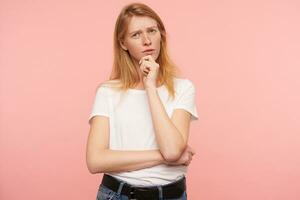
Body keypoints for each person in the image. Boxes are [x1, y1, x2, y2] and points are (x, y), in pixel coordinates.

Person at [86, 2, 199, 200]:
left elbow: (172, 150)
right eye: (136, 34)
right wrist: (160, 156)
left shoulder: (183, 88)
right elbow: (95, 160)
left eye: (152, 31)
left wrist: (150, 87)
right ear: (123, 43)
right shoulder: (107, 92)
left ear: (161, 35)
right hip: (118, 195)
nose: (147, 40)